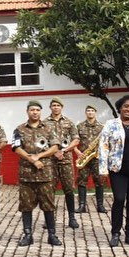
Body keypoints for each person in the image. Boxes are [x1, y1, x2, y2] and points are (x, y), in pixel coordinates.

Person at [12, 100, 61, 246]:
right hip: (26, 175)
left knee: (48, 205)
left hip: (45, 174)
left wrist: (39, 156)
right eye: (32, 109)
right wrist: (32, 160)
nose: (35, 112)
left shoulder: (48, 128)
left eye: (37, 110)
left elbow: (55, 147)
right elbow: (15, 148)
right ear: (27, 111)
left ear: (41, 112)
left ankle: (52, 235)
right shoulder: (19, 129)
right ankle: (28, 235)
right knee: (26, 206)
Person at [98, 95, 129, 246]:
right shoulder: (111, 124)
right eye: (126, 106)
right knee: (119, 199)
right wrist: (103, 169)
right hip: (117, 169)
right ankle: (115, 233)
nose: (128, 109)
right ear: (120, 107)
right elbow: (103, 147)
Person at [46, 97, 80, 229]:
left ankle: (72, 218)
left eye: (58, 105)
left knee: (69, 190)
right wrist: (54, 152)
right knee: (49, 191)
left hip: (66, 161)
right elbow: (40, 141)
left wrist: (64, 150)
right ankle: (49, 219)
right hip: (50, 161)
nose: (55, 107)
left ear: (61, 107)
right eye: (53, 105)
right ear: (50, 107)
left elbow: (76, 140)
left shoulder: (69, 123)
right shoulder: (44, 123)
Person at [75, 105, 107, 214]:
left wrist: (101, 153)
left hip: (97, 157)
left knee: (99, 181)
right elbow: (73, 141)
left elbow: (106, 142)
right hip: (84, 157)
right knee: (81, 181)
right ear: (85, 113)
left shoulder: (102, 127)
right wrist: (77, 151)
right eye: (88, 111)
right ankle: (82, 205)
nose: (90, 112)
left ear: (95, 113)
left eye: (92, 111)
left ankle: (100, 205)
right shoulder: (79, 126)